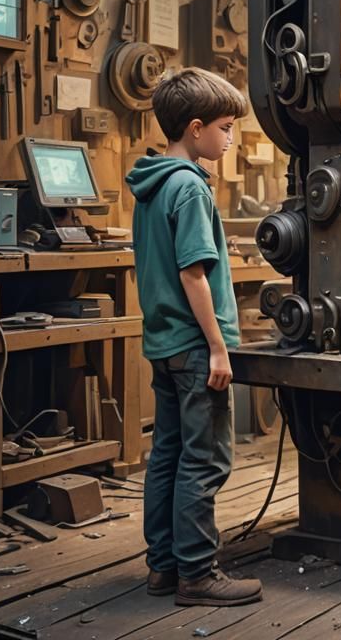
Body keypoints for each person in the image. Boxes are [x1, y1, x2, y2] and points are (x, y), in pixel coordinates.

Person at [125, 67, 263, 607]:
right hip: (194, 347)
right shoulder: (187, 187)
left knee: (168, 453)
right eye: (226, 128)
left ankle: (164, 567)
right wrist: (218, 347)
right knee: (204, 460)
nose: (230, 138)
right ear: (196, 128)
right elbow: (193, 275)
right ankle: (198, 574)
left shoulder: (152, 184)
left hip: (164, 344)